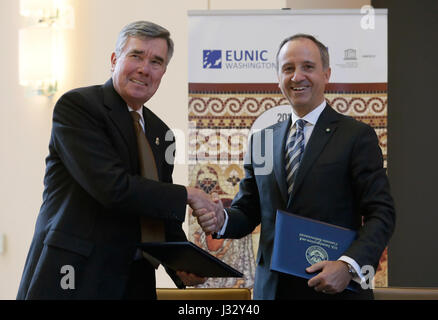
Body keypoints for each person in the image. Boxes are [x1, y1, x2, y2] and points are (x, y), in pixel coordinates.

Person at [17, 21, 215, 300]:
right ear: (114, 60)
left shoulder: (162, 133)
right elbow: (112, 187)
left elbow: (158, 213)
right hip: (74, 276)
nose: (145, 68)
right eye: (136, 55)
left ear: (163, 73)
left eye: (156, 61)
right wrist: (187, 195)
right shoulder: (78, 107)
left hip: (134, 281)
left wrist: (182, 263)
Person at [194, 34, 396, 300]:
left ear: (327, 74)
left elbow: (381, 213)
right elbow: (249, 209)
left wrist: (348, 266)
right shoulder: (262, 140)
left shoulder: (357, 136)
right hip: (272, 291)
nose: (297, 76)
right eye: (288, 68)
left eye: (308, 67)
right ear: (278, 77)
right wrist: (222, 220)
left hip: (332, 290)